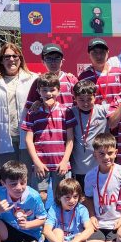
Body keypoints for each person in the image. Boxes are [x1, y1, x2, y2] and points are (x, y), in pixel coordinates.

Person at [0, 43, 38, 177]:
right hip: (2, 136)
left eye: (15, 56)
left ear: (20, 59)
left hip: (28, 136)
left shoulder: (33, 79)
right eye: (7, 57)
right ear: (1, 60)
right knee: (9, 177)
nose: (11, 59)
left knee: (28, 177)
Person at [83, 133, 121, 242]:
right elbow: (88, 198)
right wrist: (91, 215)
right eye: (101, 154)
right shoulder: (89, 176)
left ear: (116, 153)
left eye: (110, 153)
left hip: (118, 223)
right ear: (95, 155)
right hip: (99, 224)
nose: (106, 157)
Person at [22, 73, 74, 201]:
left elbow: (70, 139)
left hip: (61, 164)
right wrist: (37, 162)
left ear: (59, 91)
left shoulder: (66, 111)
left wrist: (65, 161)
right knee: (40, 196)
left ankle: (59, 215)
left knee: (62, 197)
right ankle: (40, 215)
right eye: (44, 90)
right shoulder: (33, 112)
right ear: (38, 91)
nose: (48, 93)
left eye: (52, 90)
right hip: (41, 164)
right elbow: (28, 139)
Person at [66, 80, 109, 192]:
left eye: (89, 99)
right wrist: (38, 103)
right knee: (81, 197)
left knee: (100, 195)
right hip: (79, 168)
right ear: (75, 98)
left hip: (99, 167)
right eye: (81, 100)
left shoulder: (103, 110)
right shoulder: (70, 112)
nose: (85, 103)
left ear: (95, 97)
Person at [25, 43, 78, 110]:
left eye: (57, 58)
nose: (53, 62)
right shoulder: (38, 81)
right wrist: (37, 103)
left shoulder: (72, 80)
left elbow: (81, 103)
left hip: (69, 117)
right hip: (46, 117)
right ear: (43, 62)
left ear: (62, 61)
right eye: (48, 58)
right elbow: (29, 107)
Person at [78, 38, 121, 106]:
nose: (99, 56)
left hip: (117, 112)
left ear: (108, 52)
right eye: (94, 52)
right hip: (94, 113)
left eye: (102, 52)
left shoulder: (119, 73)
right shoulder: (83, 78)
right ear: (89, 54)